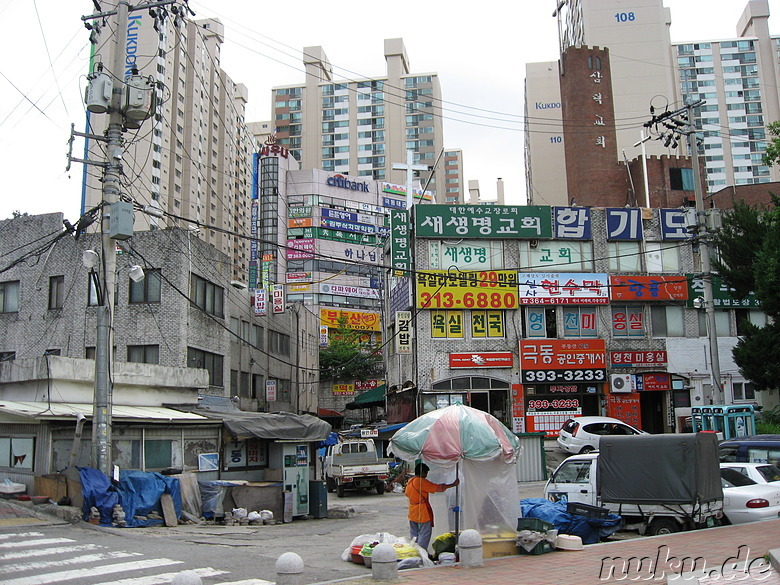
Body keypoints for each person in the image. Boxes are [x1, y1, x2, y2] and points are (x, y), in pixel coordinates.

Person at [405, 462, 459, 551]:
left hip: (412, 511)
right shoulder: (421, 481)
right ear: (422, 472)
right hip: (422, 512)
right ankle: (421, 553)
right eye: (426, 473)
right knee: (424, 534)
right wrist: (453, 484)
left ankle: (414, 552)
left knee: (414, 535)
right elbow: (437, 488)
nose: (426, 475)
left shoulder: (410, 481)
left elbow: (407, 494)